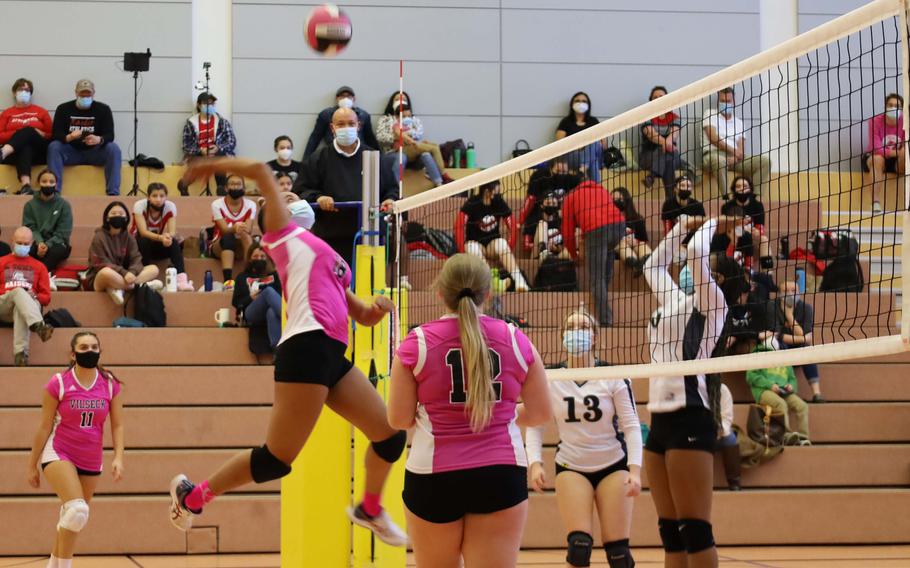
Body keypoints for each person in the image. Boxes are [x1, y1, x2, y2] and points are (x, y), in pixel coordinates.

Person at [168, 157, 408, 547]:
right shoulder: (283, 237)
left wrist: (378, 307)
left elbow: (360, 316)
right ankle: (194, 497)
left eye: (292, 195)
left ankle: (369, 507)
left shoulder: (329, 257)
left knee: (390, 437)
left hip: (332, 354)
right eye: (284, 197)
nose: (291, 198)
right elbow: (262, 173)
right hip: (305, 348)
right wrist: (207, 166)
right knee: (276, 460)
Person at [387, 253, 551, 567]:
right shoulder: (516, 339)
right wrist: (503, 416)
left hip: (433, 477)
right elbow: (541, 413)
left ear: (440, 293)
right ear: (488, 294)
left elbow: (398, 419)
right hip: (500, 472)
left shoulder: (416, 343)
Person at [642, 215, 751, 568]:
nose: (690, 271)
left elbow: (696, 254)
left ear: (715, 278)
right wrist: (680, 227)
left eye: (704, 268)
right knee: (671, 533)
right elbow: (653, 265)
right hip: (659, 418)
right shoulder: (676, 301)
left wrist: (712, 223)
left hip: (690, 417)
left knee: (695, 530)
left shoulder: (713, 304)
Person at [526, 309, 642, 568]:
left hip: (613, 465)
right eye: (571, 327)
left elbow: (632, 426)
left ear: (595, 337)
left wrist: (635, 470)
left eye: (583, 327)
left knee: (619, 554)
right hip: (571, 466)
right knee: (579, 548)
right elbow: (535, 424)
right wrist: (534, 463)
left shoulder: (614, 377)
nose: (576, 332)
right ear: (562, 336)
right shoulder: (549, 377)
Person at [26, 331, 124, 568]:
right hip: (60, 451)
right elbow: (44, 425)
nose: (89, 351)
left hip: (91, 458)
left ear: (100, 352)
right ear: (72, 353)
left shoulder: (110, 385)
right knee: (77, 510)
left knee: (73, 519)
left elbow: (118, 424)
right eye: (83, 347)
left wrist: (119, 457)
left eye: (94, 347)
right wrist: (32, 464)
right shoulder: (59, 382)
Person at [294, 107, 397, 267]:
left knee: (369, 288)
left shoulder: (374, 157)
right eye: (341, 124)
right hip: (331, 238)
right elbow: (300, 191)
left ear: (359, 126)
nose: (346, 128)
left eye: (351, 123)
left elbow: (392, 188)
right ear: (332, 128)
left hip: (370, 236)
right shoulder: (318, 158)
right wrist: (318, 197)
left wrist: (390, 199)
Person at [562, 178, 626, 327]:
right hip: (619, 227)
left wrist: (574, 255)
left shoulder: (570, 198)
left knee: (596, 278)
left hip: (596, 231)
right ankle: (603, 289)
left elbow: (567, 232)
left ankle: (605, 319)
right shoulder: (600, 189)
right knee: (606, 254)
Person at [47, 79, 121, 196]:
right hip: (71, 152)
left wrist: (99, 139)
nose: (85, 96)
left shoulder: (103, 109)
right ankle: (54, 191)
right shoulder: (63, 108)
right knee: (54, 147)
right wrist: (69, 137)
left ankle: (113, 193)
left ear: (93, 94)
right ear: (76, 93)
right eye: (82, 94)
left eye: (88, 94)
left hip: (95, 152)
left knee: (113, 148)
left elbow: (110, 135)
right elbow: (55, 134)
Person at [456, 181, 529, 292]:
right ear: (487, 192)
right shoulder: (472, 203)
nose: (499, 194)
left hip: (492, 245)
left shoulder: (499, 202)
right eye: (497, 191)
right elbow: (459, 227)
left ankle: (519, 281)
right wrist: (462, 251)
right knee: (471, 247)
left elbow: (513, 226)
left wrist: (509, 247)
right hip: (475, 244)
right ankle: (491, 282)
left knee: (502, 243)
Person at [84, 201, 160, 305]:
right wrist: (124, 273)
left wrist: (132, 272)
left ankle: (119, 288)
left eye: (120, 214)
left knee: (153, 269)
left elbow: (136, 259)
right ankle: (140, 286)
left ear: (126, 218)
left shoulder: (129, 237)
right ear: (107, 218)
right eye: (113, 214)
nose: (117, 216)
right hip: (101, 277)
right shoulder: (98, 237)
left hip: (126, 276)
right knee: (106, 272)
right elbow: (100, 263)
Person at [702, 87, 771, 197]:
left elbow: (741, 149)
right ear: (718, 101)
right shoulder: (709, 114)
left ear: (733, 101)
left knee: (764, 162)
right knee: (719, 160)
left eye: (728, 101)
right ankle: (726, 198)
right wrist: (733, 151)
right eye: (722, 101)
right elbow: (713, 138)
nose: (725, 104)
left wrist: (734, 158)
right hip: (713, 155)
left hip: (734, 159)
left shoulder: (738, 122)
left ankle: (755, 200)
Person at [0, 226, 54, 366]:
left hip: (26, 309)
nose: (22, 246)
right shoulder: (1, 262)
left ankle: (21, 356)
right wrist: (9, 293)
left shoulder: (40, 266)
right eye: (19, 243)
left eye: (26, 244)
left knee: (22, 304)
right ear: (12, 241)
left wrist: (35, 295)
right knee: (18, 291)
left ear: (32, 244)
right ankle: (39, 326)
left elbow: (46, 298)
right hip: (3, 304)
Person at [375, 91, 452, 187]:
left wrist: (409, 135)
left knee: (427, 153)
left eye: (404, 99)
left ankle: (438, 182)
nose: (401, 101)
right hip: (396, 152)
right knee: (404, 157)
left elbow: (418, 133)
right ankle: (395, 188)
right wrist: (400, 137)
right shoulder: (388, 120)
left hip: (412, 150)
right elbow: (382, 137)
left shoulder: (413, 120)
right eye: (397, 99)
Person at [745, 340, 811, 446]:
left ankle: (803, 437)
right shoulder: (757, 355)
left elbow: (792, 379)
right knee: (781, 404)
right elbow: (751, 377)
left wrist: (791, 386)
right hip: (763, 390)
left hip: (783, 391)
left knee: (802, 406)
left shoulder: (783, 357)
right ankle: (786, 435)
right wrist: (769, 385)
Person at [767, 281, 825, 403]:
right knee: (777, 345)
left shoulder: (806, 308)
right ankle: (787, 391)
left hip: (798, 347)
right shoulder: (772, 306)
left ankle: (817, 393)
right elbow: (777, 335)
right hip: (780, 346)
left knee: (807, 349)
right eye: (786, 291)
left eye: (793, 291)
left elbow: (806, 336)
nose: (790, 294)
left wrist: (790, 317)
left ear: (799, 292)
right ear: (779, 293)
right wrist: (803, 338)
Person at [131, 182, 193, 291]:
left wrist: (168, 238)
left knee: (173, 242)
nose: (158, 199)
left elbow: (172, 231)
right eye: (154, 196)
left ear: (166, 197)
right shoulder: (139, 206)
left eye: (162, 196)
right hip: (137, 247)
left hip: (155, 245)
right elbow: (143, 232)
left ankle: (181, 280)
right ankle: (145, 277)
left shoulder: (170, 206)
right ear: (148, 197)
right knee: (144, 240)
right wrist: (161, 238)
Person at [0, 78, 52, 194]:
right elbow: (0, 136)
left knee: (28, 131)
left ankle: (2, 152)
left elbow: (51, 135)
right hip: (16, 154)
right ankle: (26, 186)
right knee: (25, 146)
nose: (24, 92)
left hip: (39, 152)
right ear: (14, 93)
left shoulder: (41, 111)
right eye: (20, 89)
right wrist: (21, 133)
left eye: (27, 90)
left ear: (30, 93)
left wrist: (36, 132)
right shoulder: (7, 113)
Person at [518, 157, 581, 254]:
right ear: (551, 169)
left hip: (561, 230)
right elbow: (530, 199)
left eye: (564, 172)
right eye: (558, 171)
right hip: (539, 224)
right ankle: (544, 253)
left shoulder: (572, 180)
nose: (561, 175)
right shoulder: (539, 176)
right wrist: (520, 221)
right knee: (542, 225)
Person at [711, 176, 773, 270]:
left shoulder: (757, 205)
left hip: (750, 238)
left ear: (750, 188)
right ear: (734, 189)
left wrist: (756, 232)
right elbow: (726, 228)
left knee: (763, 239)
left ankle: (768, 274)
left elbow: (760, 229)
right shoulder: (727, 206)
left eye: (745, 186)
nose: (741, 188)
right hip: (732, 238)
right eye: (738, 186)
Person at [181, 92, 236, 194]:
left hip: (218, 153)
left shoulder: (222, 121)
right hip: (199, 154)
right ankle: (184, 185)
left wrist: (218, 148)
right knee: (195, 160)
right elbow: (186, 145)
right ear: (199, 105)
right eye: (206, 104)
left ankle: (221, 189)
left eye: (212, 104)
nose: (210, 106)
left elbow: (231, 141)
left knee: (219, 157)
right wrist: (200, 150)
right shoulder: (190, 122)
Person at [208, 175, 257, 289]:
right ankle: (228, 280)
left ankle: (251, 275)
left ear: (243, 188)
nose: (235, 187)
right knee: (229, 237)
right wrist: (235, 228)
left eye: (238, 184)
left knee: (246, 235)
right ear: (226, 188)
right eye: (232, 184)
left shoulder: (251, 205)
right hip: (219, 245)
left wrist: (240, 229)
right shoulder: (217, 204)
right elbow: (224, 230)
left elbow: (248, 229)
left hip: (240, 245)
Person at [304, 85, 379, 158]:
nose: (345, 99)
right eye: (342, 96)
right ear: (337, 98)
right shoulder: (326, 114)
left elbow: (370, 139)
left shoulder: (363, 115)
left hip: (358, 154)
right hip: (333, 154)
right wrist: (305, 162)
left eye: (349, 96)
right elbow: (314, 138)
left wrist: (380, 158)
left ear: (354, 98)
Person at [232, 243, 282, 349]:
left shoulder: (275, 276)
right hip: (251, 311)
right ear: (250, 259)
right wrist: (250, 298)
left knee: (272, 312)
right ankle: (290, 317)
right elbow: (236, 302)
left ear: (267, 258)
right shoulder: (242, 277)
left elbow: (280, 296)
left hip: (272, 309)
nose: (259, 259)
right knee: (268, 291)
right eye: (255, 257)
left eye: (262, 257)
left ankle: (278, 350)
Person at [22, 169, 73, 272]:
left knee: (55, 251)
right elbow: (30, 227)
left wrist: (47, 245)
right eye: (44, 181)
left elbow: (63, 232)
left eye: (51, 182)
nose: (48, 184)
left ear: (56, 184)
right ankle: (44, 275)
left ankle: (40, 274)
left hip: (57, 244)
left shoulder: (64, 205)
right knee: (26, 251)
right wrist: (40, 242)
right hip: (36, 242)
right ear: (38, 183)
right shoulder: (30, 205)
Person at [863, 93, 905, 214]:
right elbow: (876, 149)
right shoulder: (875, 121)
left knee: (906, 156)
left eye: (897, 106)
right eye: (890, 105)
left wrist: (903, 152)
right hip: (875, 159)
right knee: (877, 158)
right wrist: (899, 152)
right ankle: (875, 202)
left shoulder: (906, 123)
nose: (893, 108)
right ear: (885, 107)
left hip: (897, 162)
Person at [640, 86, 684, 199]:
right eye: (655, 97)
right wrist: (666, 144)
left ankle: (652, 176)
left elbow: (674, 134)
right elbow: (651, 135)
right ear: (651, 101)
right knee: (668, 156)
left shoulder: (674, 117)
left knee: (668, 157)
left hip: (671, 156)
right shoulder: (646, 116)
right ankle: (671, 201)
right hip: (648, 157)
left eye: (661, 97)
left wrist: (668, 143)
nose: (658, 99)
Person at [556, 91, 604, 182]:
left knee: (594, 142)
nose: (580, 103)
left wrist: (588, 147)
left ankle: (583, 167)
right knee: (593, 161)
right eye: (577, 101)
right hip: (573, 157)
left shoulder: (593, 121)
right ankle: (596, 187)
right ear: (572, 104)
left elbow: (603, 144)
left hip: (595, 154)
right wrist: (579, 147)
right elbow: (559, 144)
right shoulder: (566, 122)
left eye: (584, 101)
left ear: (588, 104)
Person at [612, 187, 652, 276]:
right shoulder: (607, 219)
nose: (616, 202)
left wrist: (634, 241)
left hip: (634, 248)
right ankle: (635, 265)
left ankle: (642, 264)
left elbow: (643, 239)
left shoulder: (637, 219)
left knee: (641, 244)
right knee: (622, 244)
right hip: (616, 250)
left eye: (619, 199)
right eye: (613, 199)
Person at [715, 383, 742, 491]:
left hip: (718, 432)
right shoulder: (694, 389)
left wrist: (719, 431)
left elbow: (727, 418)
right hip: (698, 432)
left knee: (730, 439)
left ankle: (734, 481)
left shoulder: (722, 389)